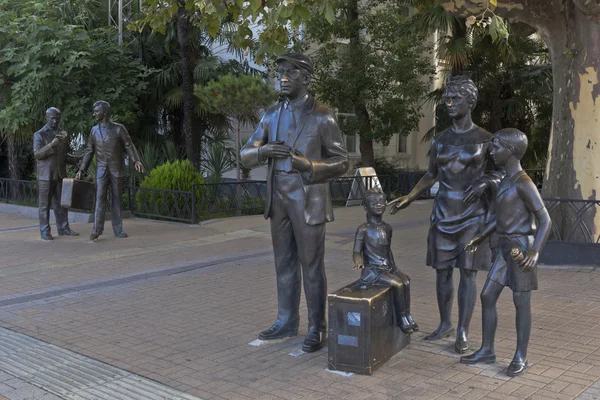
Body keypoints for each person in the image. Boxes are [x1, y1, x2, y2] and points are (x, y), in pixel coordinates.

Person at [240, 53, 349, 352]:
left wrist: (311, 167)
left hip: (308, 199)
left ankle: (317, 327)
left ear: (306, 78)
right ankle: (286, 320)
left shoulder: (322, 115)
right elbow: (245, 154)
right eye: (280, 73)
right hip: (279, 199)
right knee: (284, 263)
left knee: (311, 265)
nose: (283, 78)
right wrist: (263, 153)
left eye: (290, 73)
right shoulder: (270, 115)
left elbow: (342, 162)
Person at [388, 75, 502, 353]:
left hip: (473, 215)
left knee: (468, 272)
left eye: (455, 99)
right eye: (446, 99)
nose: (449, 103)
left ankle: (462, 330)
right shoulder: (440, 140)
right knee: (442, 272)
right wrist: (410, 196)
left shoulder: (487, 139)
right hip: (443, 213)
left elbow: (505, 173)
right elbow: (430, 175)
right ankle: (445, 324)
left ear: (470, 101)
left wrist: (487, 182)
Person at [460, 128, 551, 376]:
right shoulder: (505, 180)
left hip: (520, 249)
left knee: (521, 303)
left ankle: (520, 355)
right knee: (488, 295)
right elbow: (501, 219)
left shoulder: (524, 183)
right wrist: (480, 237)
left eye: (497, 146)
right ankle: (487, 350)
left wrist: (535, 252)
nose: (492, 151)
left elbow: (545, 220)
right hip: (504, 248)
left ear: (510, 151)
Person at [76, 101, 144, 241]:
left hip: (116, 169)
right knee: (99, 199)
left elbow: (129, 145)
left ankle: (118, 229)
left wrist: (135, 160)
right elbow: (89, 151)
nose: (94, 113)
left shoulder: (119, 129)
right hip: (101, 170)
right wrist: (82, 169)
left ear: (105, 112)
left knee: (117, 200)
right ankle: (96, 230)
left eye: (96, 111)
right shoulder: (94, 130)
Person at [353, 189, 418, 334]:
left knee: (406, 280)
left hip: (387, 267)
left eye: (381, 202)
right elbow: (357, 251)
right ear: (365, 207)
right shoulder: (363, 229)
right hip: (372, 271)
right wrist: (358, 262)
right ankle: (401, 318)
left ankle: (408, 315)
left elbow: (388, 250)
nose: (379, 205)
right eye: (374, 202)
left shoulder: (387, 228)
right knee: (397, 284)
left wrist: (394, 267)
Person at [33, 107, 80, 241]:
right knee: (44, 205)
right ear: (47, 118)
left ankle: (64, 228)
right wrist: (51, 145)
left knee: (62, 203)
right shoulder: (39, 134)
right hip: (45, 176)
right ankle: (45, 231)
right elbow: (37, 154)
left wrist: (74, 158)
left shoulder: (62, 133)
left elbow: (63, 155)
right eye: (52, 118)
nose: (55, 121)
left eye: (57, 118)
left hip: (60, 174)